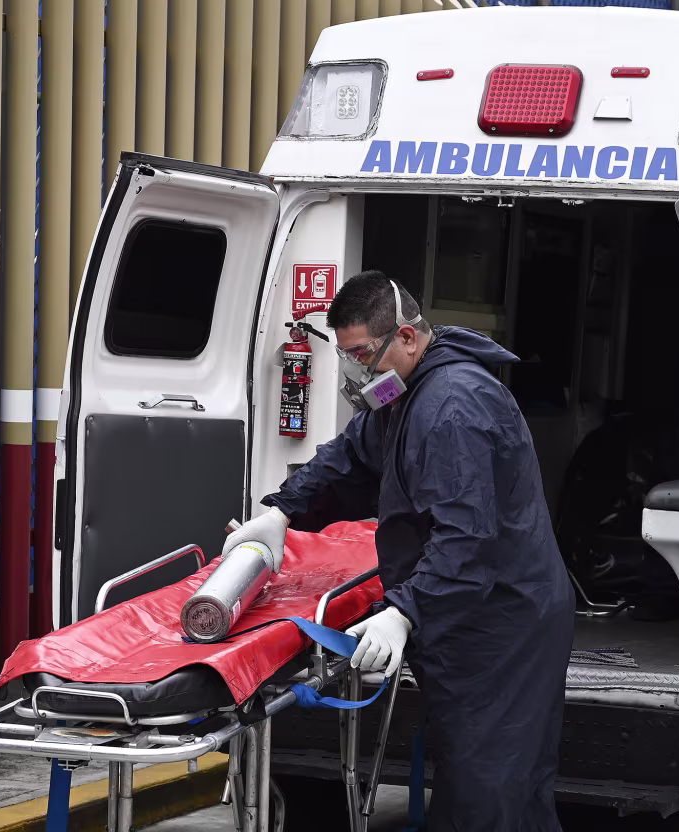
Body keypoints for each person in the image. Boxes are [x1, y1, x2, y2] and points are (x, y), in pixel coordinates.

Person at [223, 270, 575, 830]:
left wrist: (405, 611)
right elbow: (351, 454)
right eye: (348, 356)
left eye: (363, 353)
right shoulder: (403, 389)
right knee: (487, 784)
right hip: (470, 615)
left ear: (407, 337)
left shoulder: (453, 407)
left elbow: (467, 538)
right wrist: (282, 512)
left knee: (493, 792)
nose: (358, 370)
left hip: (503, 624)